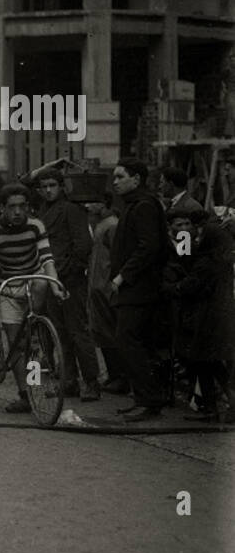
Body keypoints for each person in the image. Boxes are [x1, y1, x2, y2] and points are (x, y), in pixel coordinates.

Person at [0, 183, 68, 415]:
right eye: (12, 207)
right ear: (2, 208)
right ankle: (25, 395)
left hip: (32, 283)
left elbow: (47, 259)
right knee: (17, 345)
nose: (18, 212)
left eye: (22, 206)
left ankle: (33, 323)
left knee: (32, 342)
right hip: (7, 288)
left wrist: (56, 286)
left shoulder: (36, 225)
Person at [108, 158, 169, 421]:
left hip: (139, 288)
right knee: (134, 341)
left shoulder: (144, 206)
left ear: (137, 179)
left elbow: (149, 247)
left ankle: (150, 399)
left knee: (128, 340)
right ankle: (145, 399)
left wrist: (122, 276)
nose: (115, 181)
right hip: (136, 288)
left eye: (121, 176)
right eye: (115, 177)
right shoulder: (135, 205)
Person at [161, 207, 235, 422]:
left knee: (204, 361)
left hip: (203, 317)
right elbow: (184, 260)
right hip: (208, 315)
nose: (189, 231)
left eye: (190, 226)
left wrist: (172, 288)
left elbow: (187, 275)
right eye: (180, 225)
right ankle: (214, 405)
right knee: (208, 362)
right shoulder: (213, 256)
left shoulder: (206, 261)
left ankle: (211, 407)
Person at [34, 171, 100, 402]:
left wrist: (65, 270)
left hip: (70, 280)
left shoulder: (71, 210)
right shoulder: (43, 211)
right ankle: (69, 381)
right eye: (44, 186)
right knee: (60, 333)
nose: (49, 190)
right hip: (51, 280)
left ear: (62, 187)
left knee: (78, 332)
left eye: (53, 185)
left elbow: (84, 246)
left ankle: (91, 383)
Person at [85, 193, 130, 395]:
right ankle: (114, 375)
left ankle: (120, 376)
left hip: (106, 288)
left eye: (93, 201)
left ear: (104, 203)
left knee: (110, 332)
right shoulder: (101, 224)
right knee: (101, 332)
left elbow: (117, 257)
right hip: (98, 287)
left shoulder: (111, 225)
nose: (88, 205)